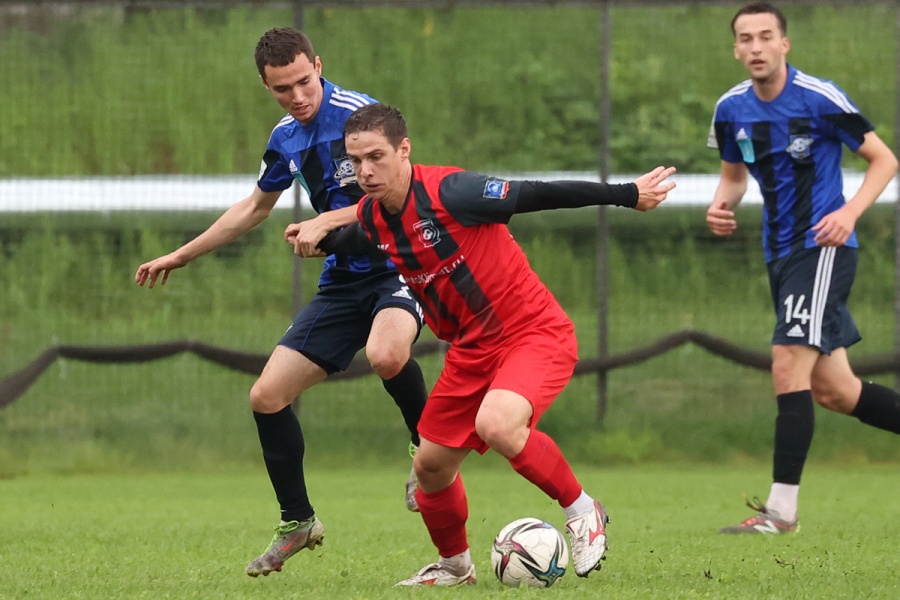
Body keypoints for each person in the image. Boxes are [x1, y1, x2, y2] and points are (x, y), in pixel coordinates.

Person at [288, 102, 676, 585]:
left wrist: (626, 194)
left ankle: (583, 510)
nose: (365, 171)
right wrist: (316, 238)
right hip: (471, 351)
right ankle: (455, 566)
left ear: (404, 150)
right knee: (430, 467)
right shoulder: (374, 215)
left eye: (376, 157)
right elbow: (362, 240)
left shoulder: (453, 192)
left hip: (530, 331)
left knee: (497, 424)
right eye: (356, 160)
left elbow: (537, 193)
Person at [134, 28, 429, 575]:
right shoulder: (286, 137)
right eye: (281, 89)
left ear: (318, 65)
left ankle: (426, 448)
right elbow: (254, 208)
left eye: (303, 82)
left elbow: (405, 193)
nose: (297, 96)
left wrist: (324, 222)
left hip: (398, 266)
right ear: (265, 86)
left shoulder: (358, 116)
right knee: (267, 396)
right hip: (342, 282)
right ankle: (298, 521)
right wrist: (181, 255)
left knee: (386, 354)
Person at [707, 2, 900, 535]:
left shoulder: (819, 98)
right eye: (746, 38)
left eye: (766, 36)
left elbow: (885, 159)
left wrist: (849, 213)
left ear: (784, 44)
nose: (756, 47)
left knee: (786, 361)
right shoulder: (731, 109)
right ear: (736, 49)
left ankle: (780, 512)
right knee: (837, 391)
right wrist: (721, 206)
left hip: (823, 248)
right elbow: (733, 178)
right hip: (779, 253)